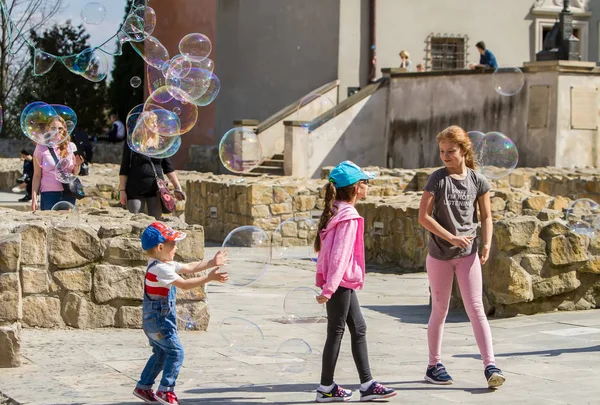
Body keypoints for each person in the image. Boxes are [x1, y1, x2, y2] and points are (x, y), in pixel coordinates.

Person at [417, 126, 505, 389]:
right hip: (440, 256)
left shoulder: (478, 181)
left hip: (468, 255)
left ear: (464, 151)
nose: (445, 156)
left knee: (475, 308)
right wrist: (450, 237)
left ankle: (490, 365)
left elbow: (487, 216)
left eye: (450, 151)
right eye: (442, 151)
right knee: (440, 310)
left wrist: (487, 243)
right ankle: (434, 365)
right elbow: (423, 216)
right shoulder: (437, 179)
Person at [314, 161, 397, 402]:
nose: (368, 186)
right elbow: (339, 256)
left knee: (358, 328)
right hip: (339, 282)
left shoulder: (336, 210)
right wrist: (330, 289)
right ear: (355, 188)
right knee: (336, 331)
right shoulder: (349, 216)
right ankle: (326, 387)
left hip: (340, 281)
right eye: (365, 182)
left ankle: (367, 383)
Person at [133, 222, 228, 405]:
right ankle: (165, 391)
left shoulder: (160, 263)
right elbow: (184, 284)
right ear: (161, 247)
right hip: (160, 321)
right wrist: (209, 277)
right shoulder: (161, 269)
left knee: (161, 354)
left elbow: (189, 267)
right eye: (173, 244)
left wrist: (211, 263)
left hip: (152, 321)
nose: (176, 247)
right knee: (176, 353)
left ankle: (143, 387)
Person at [119, 113, 185, 220]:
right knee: (135, 221)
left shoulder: (159, 143)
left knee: (156, 223)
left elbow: (168, 167)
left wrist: (178, 187)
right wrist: (122, 191)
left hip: (156, 190)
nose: (156, 125)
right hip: (135, 190)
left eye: (156, 122)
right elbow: (124, 168)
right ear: (144, 124)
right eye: (153, 122)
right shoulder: (132, 142)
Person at [31, 117, 84, 211]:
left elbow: (74, 174)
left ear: (64, 130)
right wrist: (34, 197)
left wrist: (78, 165)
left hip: (68, 193)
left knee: (68, 224)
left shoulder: (71, 146)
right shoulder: (41, 147)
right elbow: (37, 175)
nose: (57, 131)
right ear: (48, 129)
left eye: (60, 128)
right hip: (49, 194)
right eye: (53, 128)